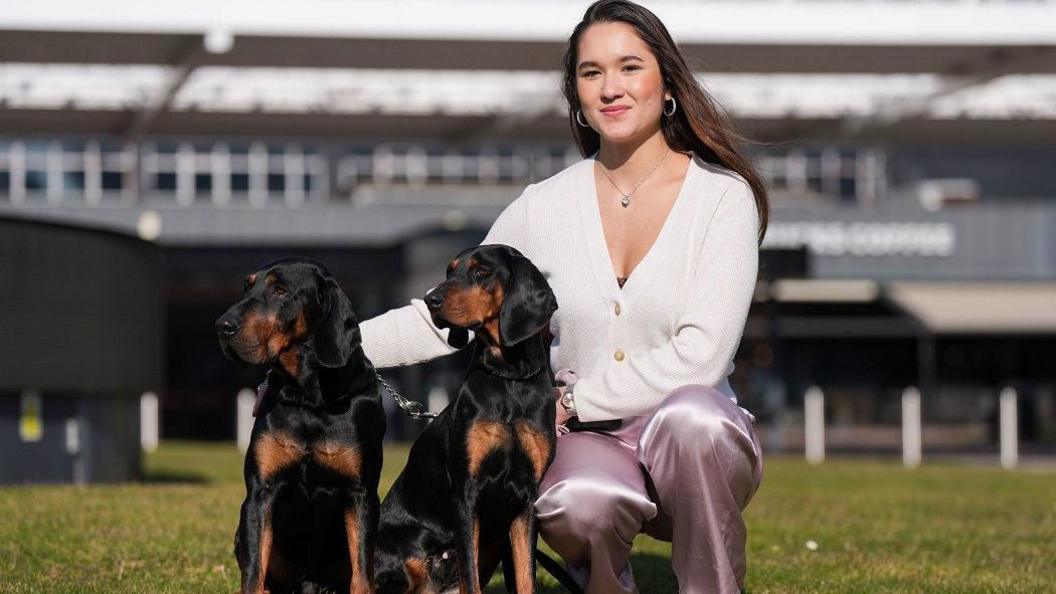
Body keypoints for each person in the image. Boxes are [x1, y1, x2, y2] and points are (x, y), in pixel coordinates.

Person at [361, 1, 768, 591]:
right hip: (588, 447)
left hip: (691, 441)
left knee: (693, 420)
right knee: (579, 498)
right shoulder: (542, 206)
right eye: (591, 72)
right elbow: (446, 314)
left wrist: (574, 401)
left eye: (630, 67)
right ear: (575, 93)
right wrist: (338, 345)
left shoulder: (722, 199)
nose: (611, 88)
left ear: (668, 82)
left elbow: (702, 357)